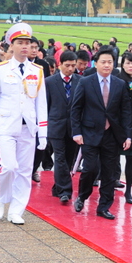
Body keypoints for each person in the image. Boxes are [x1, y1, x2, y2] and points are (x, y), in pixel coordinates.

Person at [0, 23, 48, 225]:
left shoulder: (37, 70)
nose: (24, 47)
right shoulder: (0, 70)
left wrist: (43, 132)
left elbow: (41, 102)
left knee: (24, 171)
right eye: (20, 43)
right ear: (12, 46)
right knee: (9, 167)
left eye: (27, 43)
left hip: (27, 128)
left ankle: (17, 210)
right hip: (5, 126)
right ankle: (1, 199)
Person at [70, 48, 132, 220]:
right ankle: (82, 196)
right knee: (90, 169)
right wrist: (76, 132)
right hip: (90, 133)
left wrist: (128, 136)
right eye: (103, 62)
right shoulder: (86, 82)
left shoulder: (120, 84)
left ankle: (104, 207)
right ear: (96, 63)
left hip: (112, 135)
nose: (107, 65)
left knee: (109, 173)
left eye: (110, 62)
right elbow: (76, 108)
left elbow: (126, 112)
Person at [45, 51, 82, 203]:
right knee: (59, 158)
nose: (70, 69)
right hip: (55, 126)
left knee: (69, 160)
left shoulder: (81, 81)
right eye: (67, 66)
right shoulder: (49, 82)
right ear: (60, 64)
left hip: (74, 127)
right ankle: (65, 191)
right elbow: (45, 106)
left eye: (73, 66)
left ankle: (57, 187)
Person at [117, 52, 132, 204]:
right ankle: (110, 183)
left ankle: (129, 191)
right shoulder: (117, 80)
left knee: (131, 159)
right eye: (127, 63)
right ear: (122, 65)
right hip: (118, 126)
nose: (130, 66)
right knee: (112, 158)